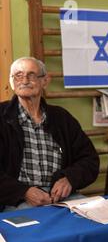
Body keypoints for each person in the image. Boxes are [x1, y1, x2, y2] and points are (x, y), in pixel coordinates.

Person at [0, 57, 99, 211]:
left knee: (99, 223)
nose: (24, 80)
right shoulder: (1, 117)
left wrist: (69, 179)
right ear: (12, 82)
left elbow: (90, 160)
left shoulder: (62, 118)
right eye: (18, 75)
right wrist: (23, 192)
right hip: (15, 201)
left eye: (31, 75)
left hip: (63, 198)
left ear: (45, 81)